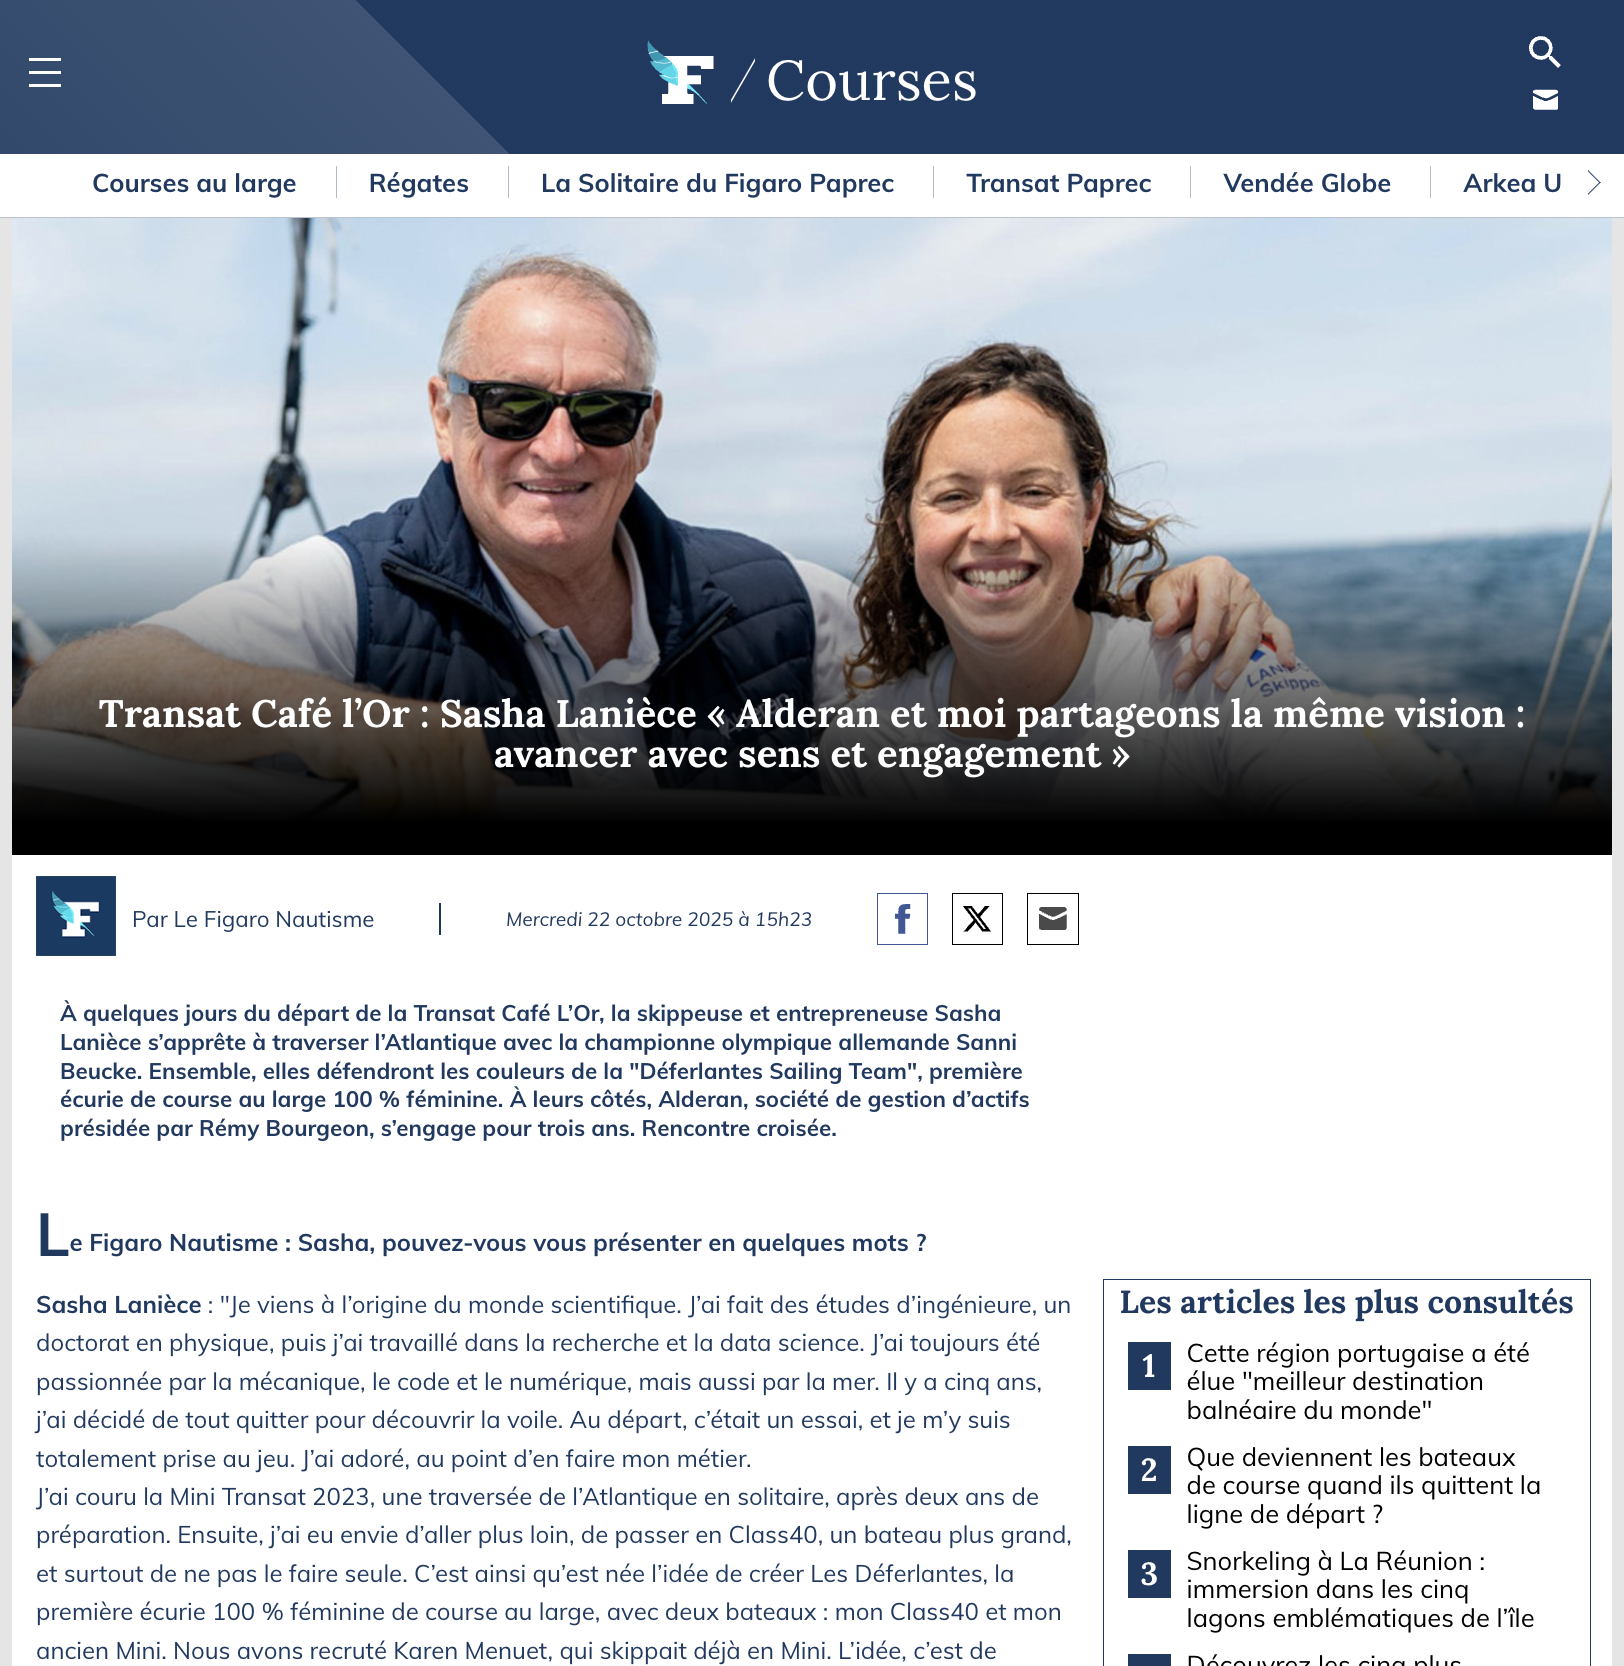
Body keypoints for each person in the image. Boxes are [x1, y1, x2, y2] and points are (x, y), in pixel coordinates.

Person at [14, 259, 1285, 815]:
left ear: (651, 427)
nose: (557, 446)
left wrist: (1184, 606)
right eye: (513, 403)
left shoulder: (788, 605)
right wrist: (342, 717)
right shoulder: (349, 593)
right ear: (444, 413)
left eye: (602, 410)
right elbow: (70, 694)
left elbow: (991, 680)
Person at [824, 343, 1413, 816]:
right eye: (954, 496)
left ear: (1088, 512)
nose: (994, 529)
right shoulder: (865, 750)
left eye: (1033, 491)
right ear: (906, 527)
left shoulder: (1219, 679)